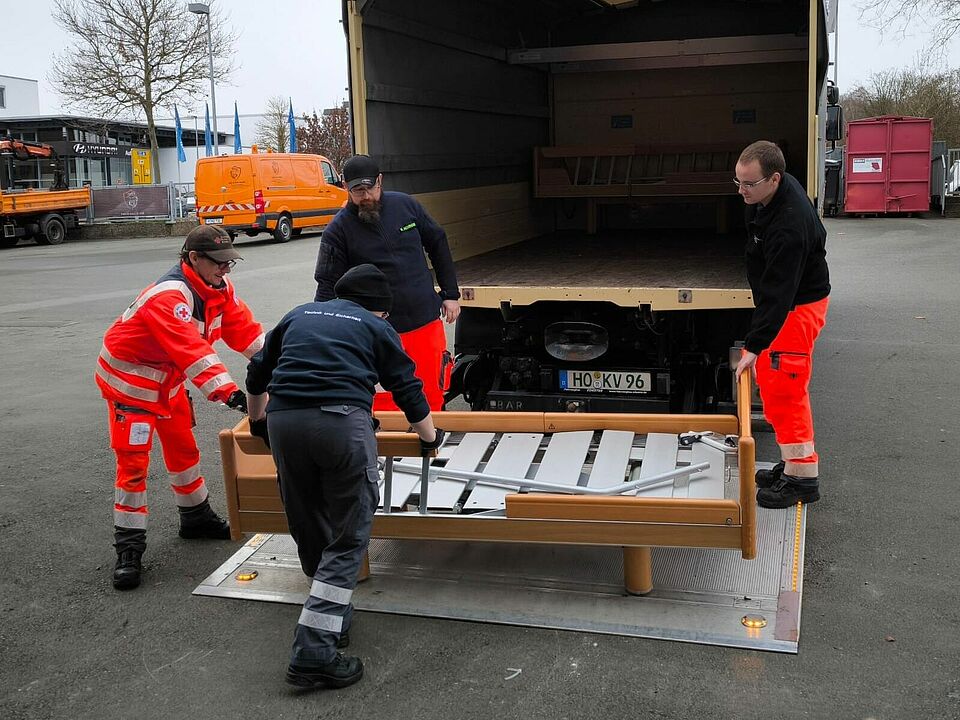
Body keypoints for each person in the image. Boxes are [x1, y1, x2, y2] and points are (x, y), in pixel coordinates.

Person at [246, 263, 443, 690]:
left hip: (284, 423)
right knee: (349, 534)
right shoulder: (376, 328)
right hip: (340, 424)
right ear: (380, 309)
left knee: (308, 519)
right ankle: (314, 650)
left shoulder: (299, 314)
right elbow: (408, 388)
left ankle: (332, 616)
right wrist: (429, 438)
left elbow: (257, 372)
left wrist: (258, 421)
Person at [95, 225, 264, 590]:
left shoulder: (218, 289)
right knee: (133, 466)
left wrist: (282, 368)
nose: (226, 270)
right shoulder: (169, 297)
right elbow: (195, 354)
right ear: (193, 259)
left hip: (167, 383)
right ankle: (129, 549)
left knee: (184, 450)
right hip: (131, 386)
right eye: (219, 263)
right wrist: (238, 398)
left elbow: (247, 334)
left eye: (230, 263)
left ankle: (196, 518)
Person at [313, 154, 460, 411]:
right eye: (357, 190)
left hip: (424, 322)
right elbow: (326, 287)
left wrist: (450, 293)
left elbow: (437, 241)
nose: (366, 196)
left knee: (431, 397)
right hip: (377, 333)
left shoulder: (406, 206)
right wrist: (324, 335)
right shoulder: (338, 231)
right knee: (386, 405)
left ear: (380, 181)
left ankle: (435, 443)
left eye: (370, 188)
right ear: (345, 187)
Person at [733, 141, 831, 509]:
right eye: (738, 182)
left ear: (773, 179)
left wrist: (753, 346)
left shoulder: (789, 225)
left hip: (796, 309)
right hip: (788, 306)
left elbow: (779, 293)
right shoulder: (771, 196)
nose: (741, 191)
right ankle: (792, 464)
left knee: (786, 391)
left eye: (748, 184)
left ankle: (803, 479)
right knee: (775, 389)